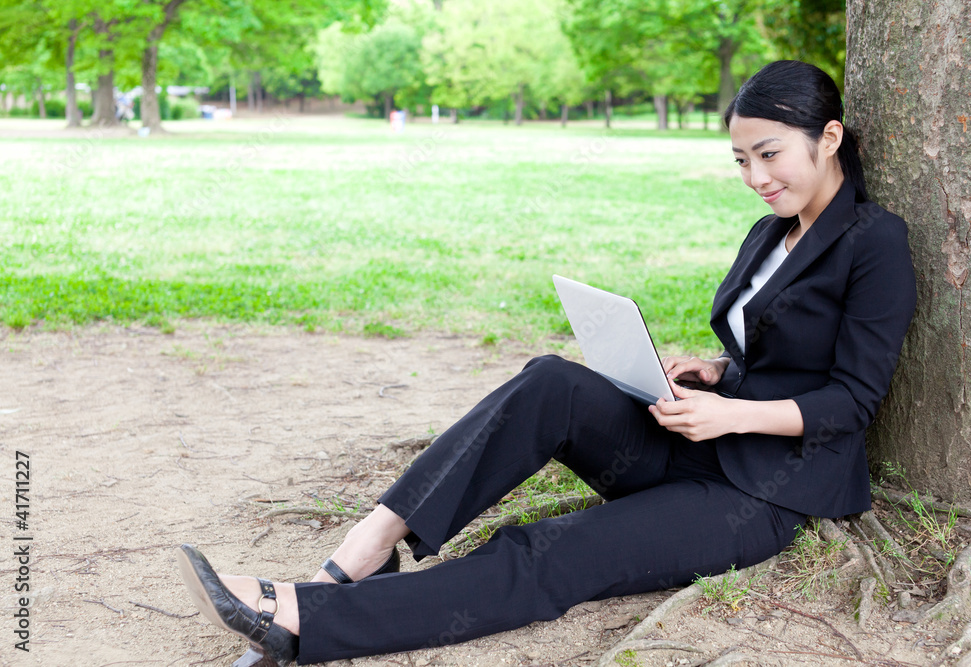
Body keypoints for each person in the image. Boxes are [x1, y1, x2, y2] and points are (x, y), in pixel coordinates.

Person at [176, 60, 917, 667]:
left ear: (827, 137)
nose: (755, 175)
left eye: (769, 154)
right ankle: (367, 544)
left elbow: (853, 399)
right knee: (549, 382)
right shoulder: (769, 230)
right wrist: (719, 372)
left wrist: (731, 410)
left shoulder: (873, 240)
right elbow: (774, 345)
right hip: (704, 438)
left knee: (552, 550)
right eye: (740, 159)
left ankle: (309, 617)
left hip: (767, 494)